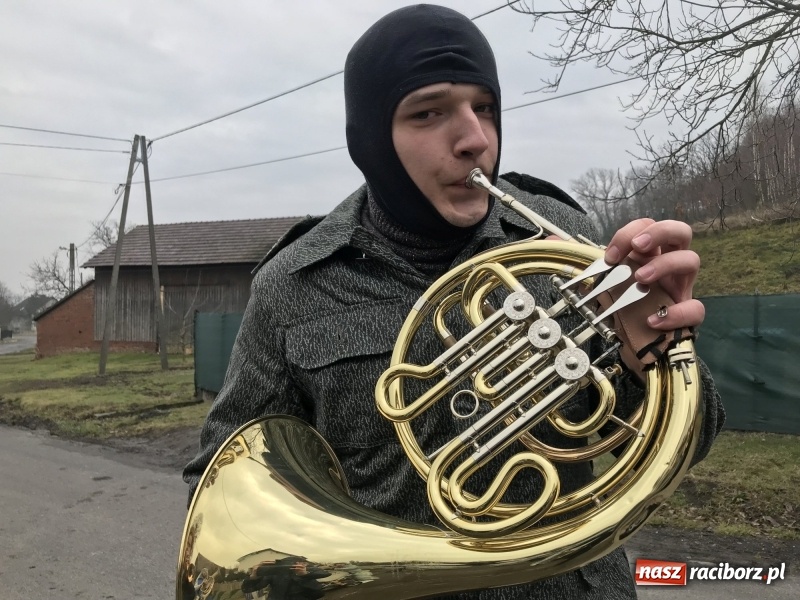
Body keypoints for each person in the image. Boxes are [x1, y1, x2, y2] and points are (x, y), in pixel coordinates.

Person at [183, 5, 725, 598]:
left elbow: (682, 443)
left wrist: (654, 359)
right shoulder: (294, 283)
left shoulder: (559, 235)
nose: (475, 139)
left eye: (484, 108)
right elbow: (223, 483)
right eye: (429, 112)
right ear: (371, 139)